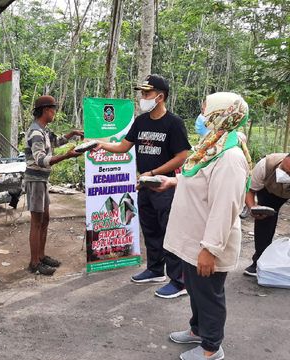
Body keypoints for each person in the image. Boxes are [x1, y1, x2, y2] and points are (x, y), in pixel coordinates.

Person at [159, 92, 251, 360]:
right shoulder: (211, 147)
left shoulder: (230, 157)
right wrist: (173, 182)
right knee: (197, 291)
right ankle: (197, 330)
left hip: (206, 242)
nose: (201, 116)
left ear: (221, 114)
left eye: (205, 110)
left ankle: (212, 347)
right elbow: (201, 181)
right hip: (192, 239)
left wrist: (210, 249)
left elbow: (225, 207)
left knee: (209, 295)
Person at [95, 74, 191, 298]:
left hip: (164, 185)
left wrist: (154, 172)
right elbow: (123, 146)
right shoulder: (141, 121)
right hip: (145, 185)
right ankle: (155, 269)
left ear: (160, 96)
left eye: (147, 93)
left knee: (169, 232)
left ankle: (179, 282)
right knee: (150, 229)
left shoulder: (174, 123)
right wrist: (100, 144)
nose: (143, 97)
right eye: (142, 93)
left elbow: (182, 156)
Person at [24, 95, 83, 276]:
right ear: (46, 111)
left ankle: (41, 256)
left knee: (45, 219)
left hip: (42, 181)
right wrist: (67, 156)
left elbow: (56, 141)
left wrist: (72, 134)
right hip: (35, 180)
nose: (55, 113)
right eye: (53, 110)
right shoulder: (35, 132)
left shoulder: (44, 130)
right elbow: (41, 160)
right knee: (36, 222)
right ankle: (34, 263)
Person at [243, 152, 290, 277]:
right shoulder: (266, 164)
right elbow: (250, 189)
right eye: (284, 170)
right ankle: (259, 262)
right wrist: (253, 207)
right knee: (264, 221)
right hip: (268, 191)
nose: (285, 174)